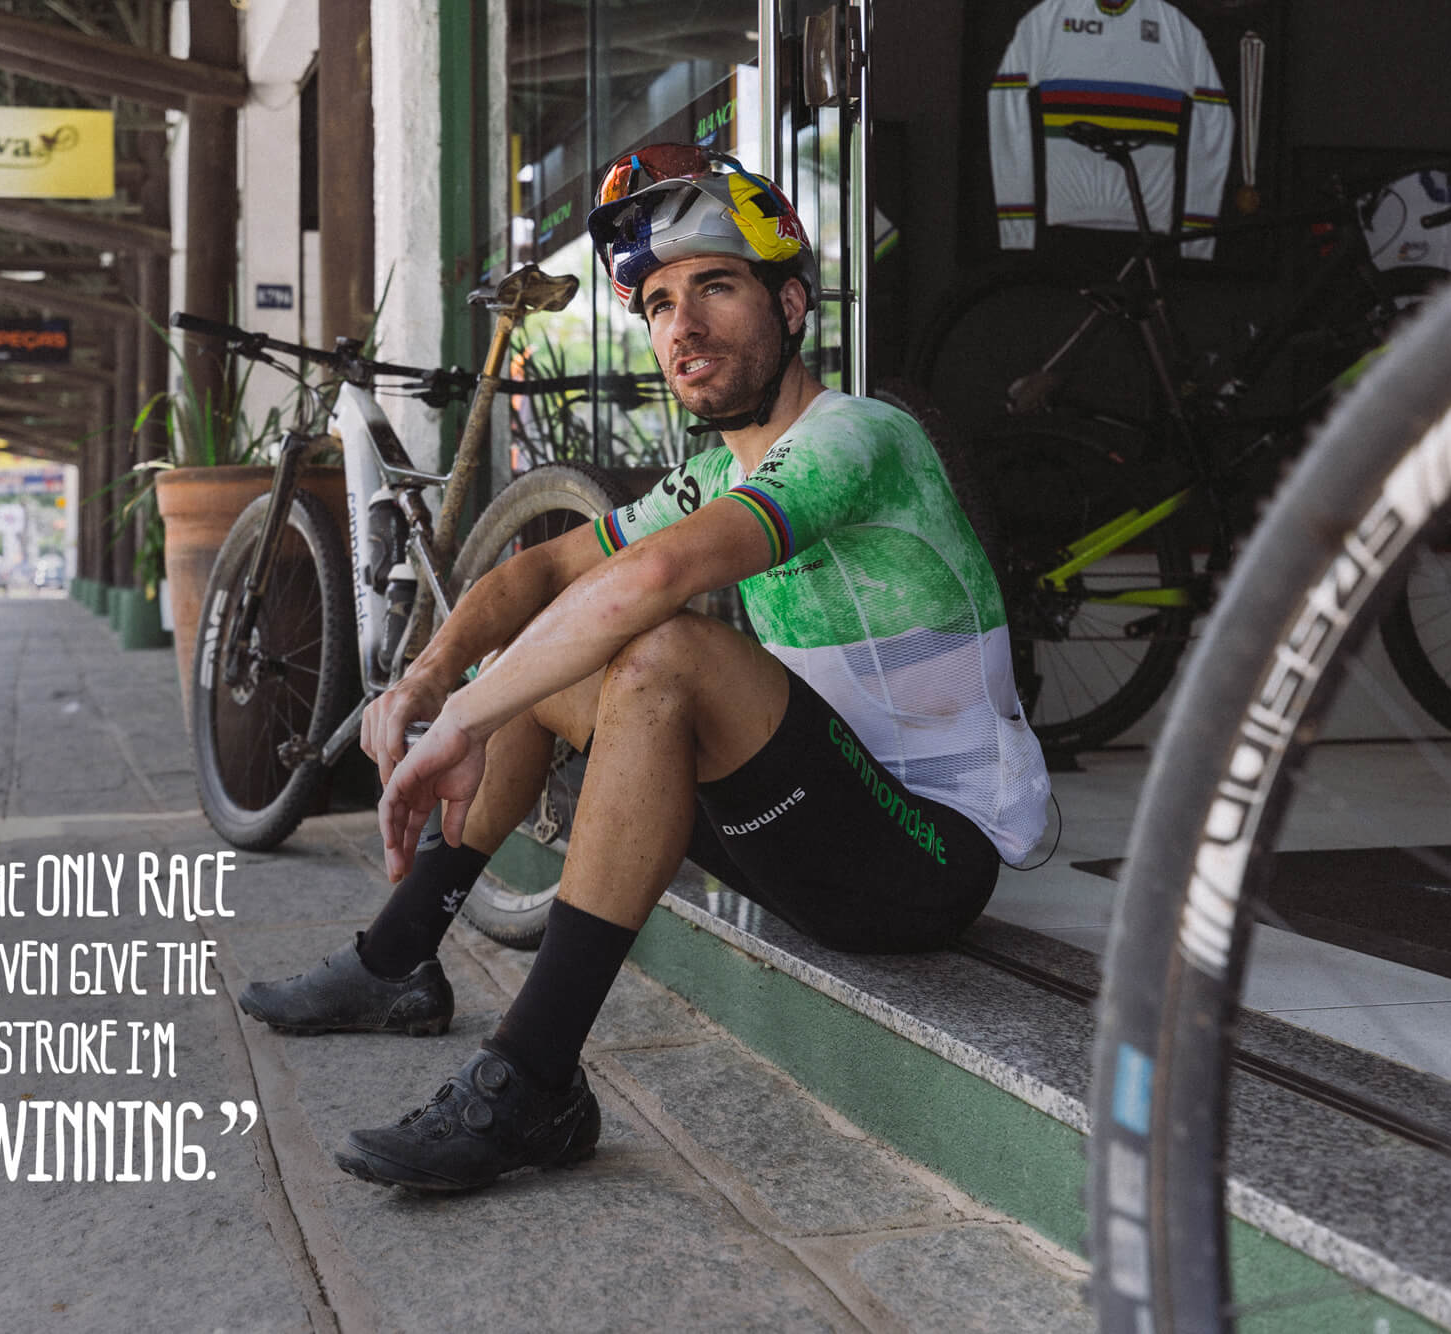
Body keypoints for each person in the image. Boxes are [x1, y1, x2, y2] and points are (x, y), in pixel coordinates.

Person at [238, 144, 1051, 1192]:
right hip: (809, 834)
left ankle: (530, 1082)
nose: (683, 325)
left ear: (791, 302)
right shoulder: (714, 469)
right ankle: (395, 959)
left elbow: (658, 575)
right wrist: (429, 676)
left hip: (925, 859)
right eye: (661, 302)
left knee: (658, 649)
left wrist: (464, 718)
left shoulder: (856, 436)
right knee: (549, 651)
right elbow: (538, 570)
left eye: (714, 286)